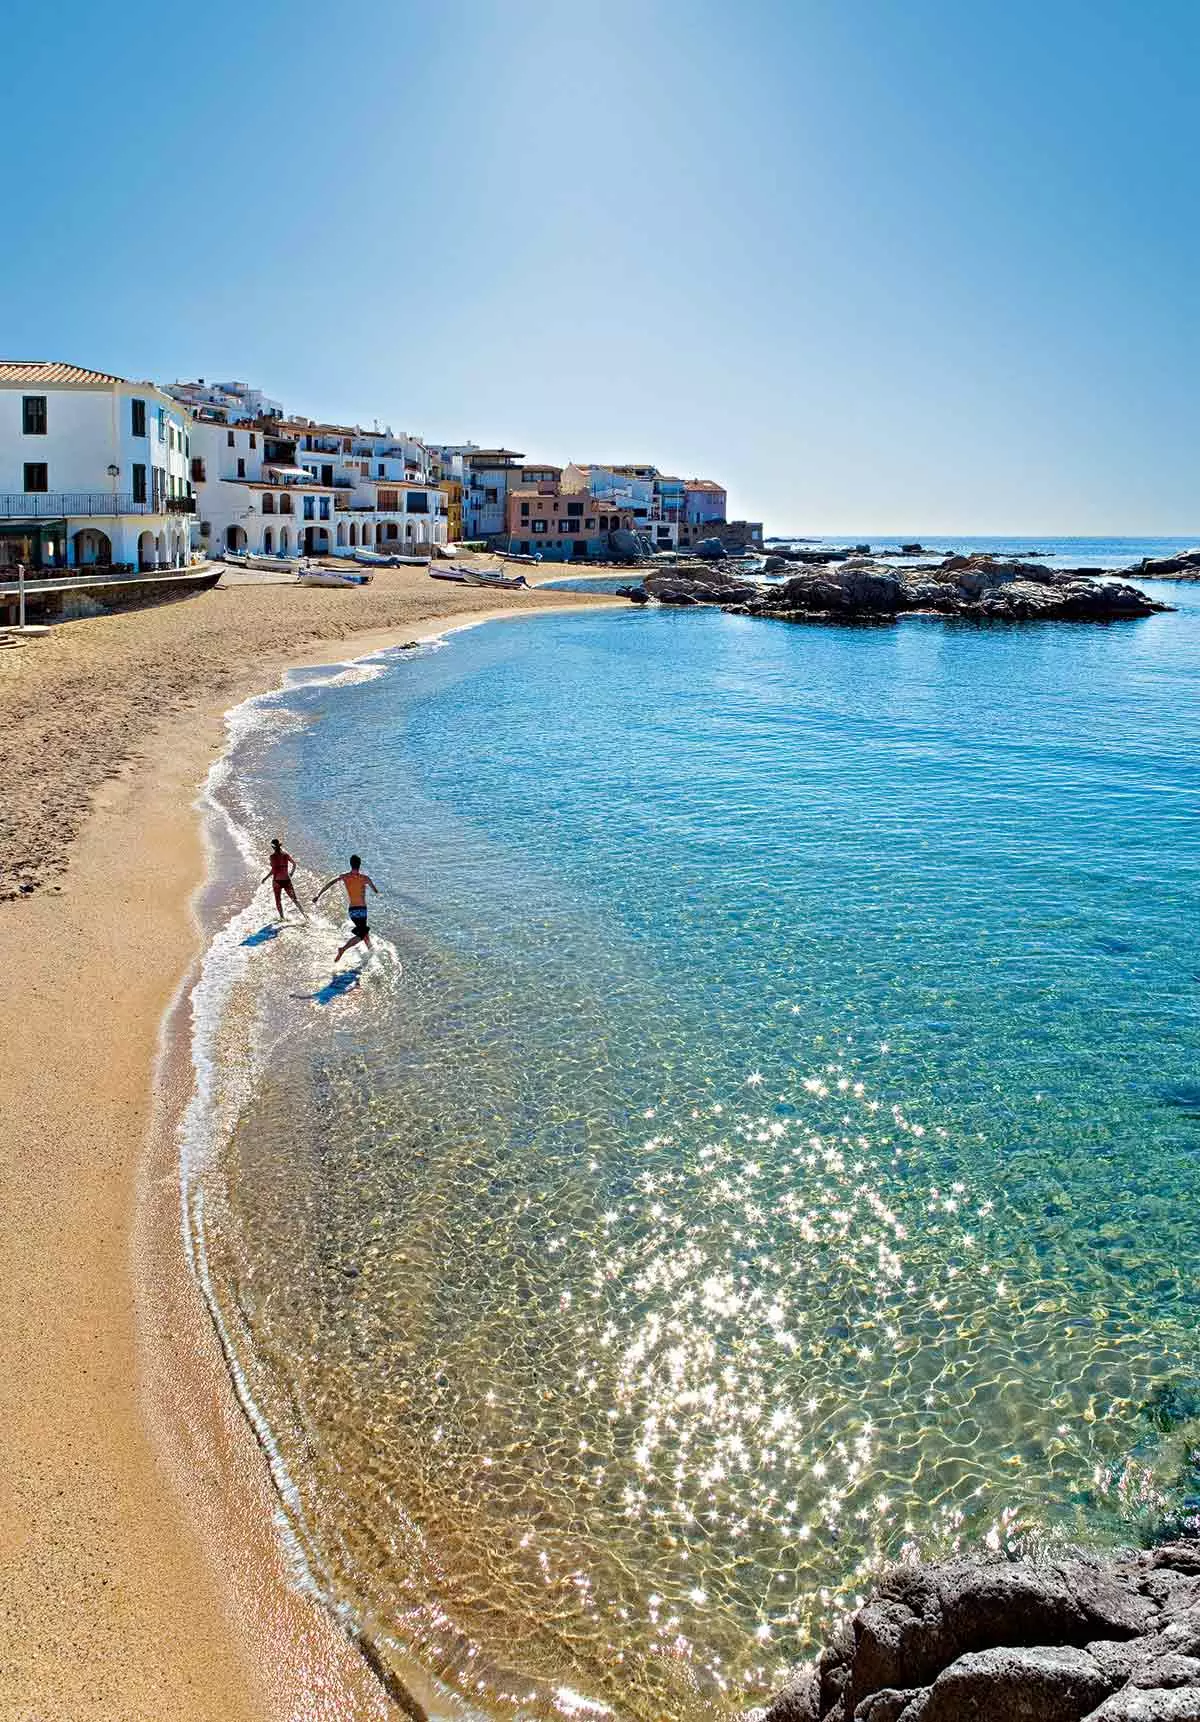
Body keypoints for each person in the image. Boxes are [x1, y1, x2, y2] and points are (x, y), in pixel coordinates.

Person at [314, 854, 380, 964]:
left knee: (363, 931)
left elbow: (330, 883)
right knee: (362, 933)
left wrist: (318, 895)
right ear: (360, 865)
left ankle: (370, 950)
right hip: (362, 910)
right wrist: (375, 891)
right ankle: (343, 949)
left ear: (351, 864)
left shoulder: (345, 876)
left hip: (352, 910)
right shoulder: (365, 878)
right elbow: (376, 891)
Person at [262, 837, 304, 921]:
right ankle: (306, 916)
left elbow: (274, 870)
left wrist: (265, 878)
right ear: (279, 845)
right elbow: (294, 864)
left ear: (272, 847)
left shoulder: (272, 857)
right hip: (286, 880)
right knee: (295, 900)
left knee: (278, 901)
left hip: (277, 881)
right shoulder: (285, 855)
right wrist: (291, 873)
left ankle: (282, 918)